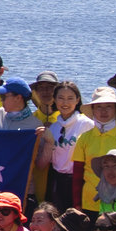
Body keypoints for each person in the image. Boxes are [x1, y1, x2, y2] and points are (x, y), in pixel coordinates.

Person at [32, 80, 89, 211]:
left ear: (77, 100)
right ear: (55, 100)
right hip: (56, 180)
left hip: (78, 180)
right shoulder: (54, 128)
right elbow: (42, 164)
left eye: (70, 98)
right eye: (61, 98)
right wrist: (47, 141)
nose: (65, 103)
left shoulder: (86, 124)